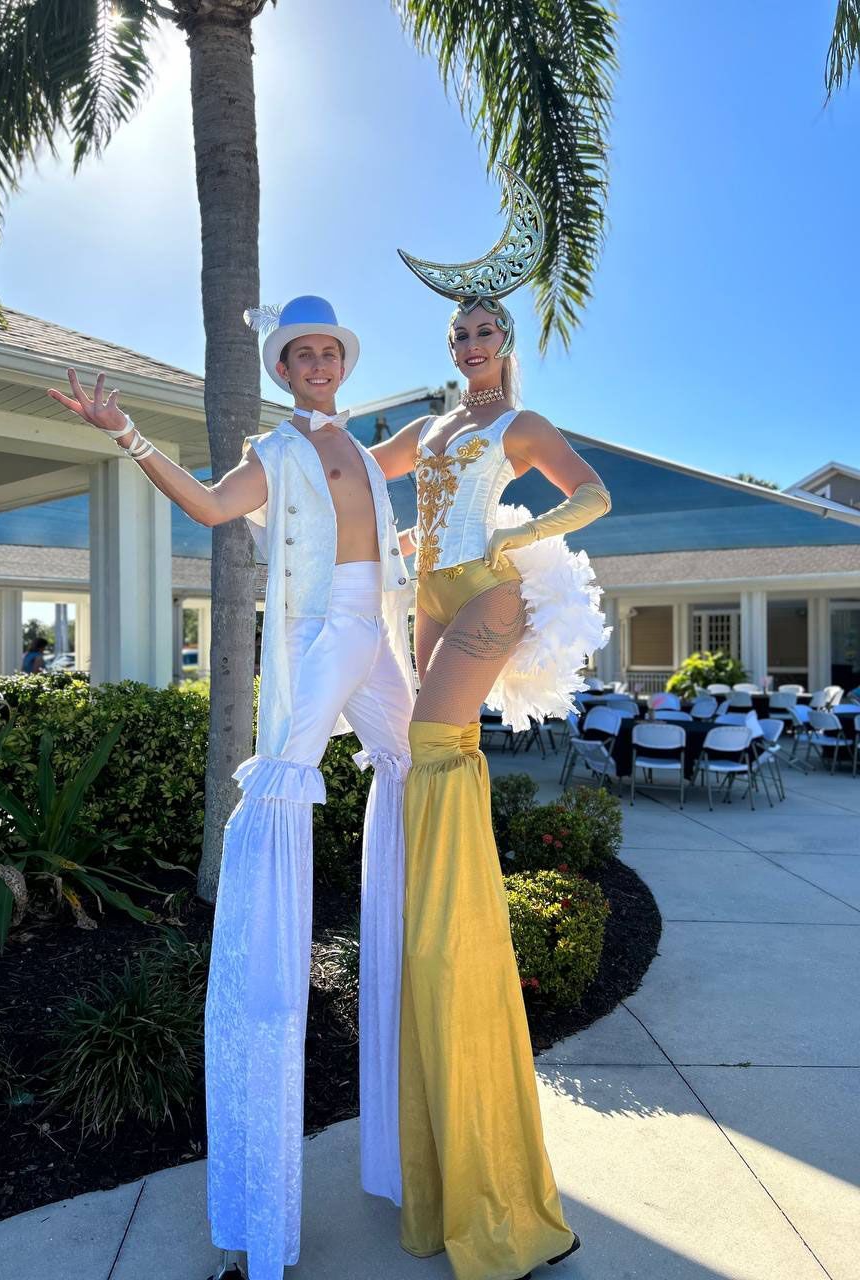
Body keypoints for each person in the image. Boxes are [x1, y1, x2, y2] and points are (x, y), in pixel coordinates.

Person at [46, 295, 415, 1280]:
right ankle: (262, 1212)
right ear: (284, 368)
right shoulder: (280, 450)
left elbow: (455, 456)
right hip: (327, 630)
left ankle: (415, 1111)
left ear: (346, 358)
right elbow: (211, 505)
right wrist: (124, 431)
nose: (318, 362)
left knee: (423, 771)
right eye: (301, 353)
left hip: (380, 630)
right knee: (281, 797)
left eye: (330, 348)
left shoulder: (372, 452)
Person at [370, 170, 611, 1279]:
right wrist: (304, 445)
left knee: (433, 746)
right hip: (425, 590)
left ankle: (452, 929)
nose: (469, 339)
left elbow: (594, 496)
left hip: (484, 587)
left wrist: (518, 545)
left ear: (507, 338)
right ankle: (437, 915)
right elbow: (369, 474)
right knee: (427, 754)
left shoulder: (522, 422)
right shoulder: (430, 423)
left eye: (483, 327)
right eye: (458, 328)